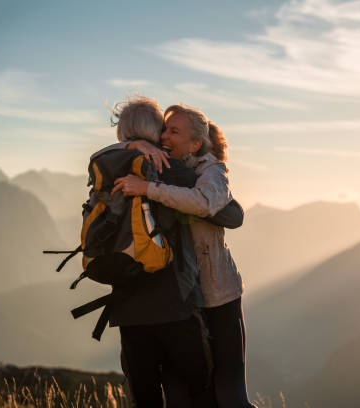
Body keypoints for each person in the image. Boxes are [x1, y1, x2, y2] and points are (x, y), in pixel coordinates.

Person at [114, 103, 255, 408]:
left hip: (218, 295)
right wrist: (134, 144)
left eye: (173, 131)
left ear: (195, 143)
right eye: (164, 128)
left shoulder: (207, 170)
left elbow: (208, 204)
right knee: (185, 395)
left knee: (230, 395)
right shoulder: (158, 164)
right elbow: (109, 153)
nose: (165, 136)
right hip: (182, 300)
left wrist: (147, 188)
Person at [102, 96, 212, 408]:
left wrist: (128, 148)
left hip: (127, 307)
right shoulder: (174, 171)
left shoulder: (106, 169)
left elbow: (97, 158)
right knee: (199, 389)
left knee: (146, 397)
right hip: (174, 303)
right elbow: (218, 206)